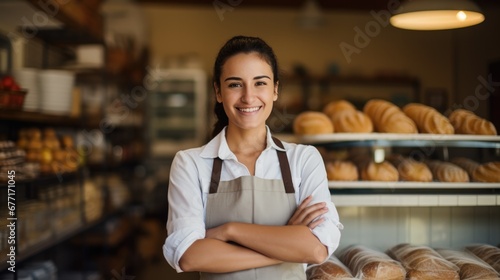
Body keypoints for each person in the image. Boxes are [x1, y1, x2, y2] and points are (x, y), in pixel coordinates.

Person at [163, 35, 342, 279]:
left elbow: (317, 249)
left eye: (260, 83)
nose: (248, 97)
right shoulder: (190, 164)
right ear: (218, 91)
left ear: (275, 89)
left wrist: (229, 231)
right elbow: (190, 255)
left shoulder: (303, 159)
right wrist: (287, 245)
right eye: (235, 84)